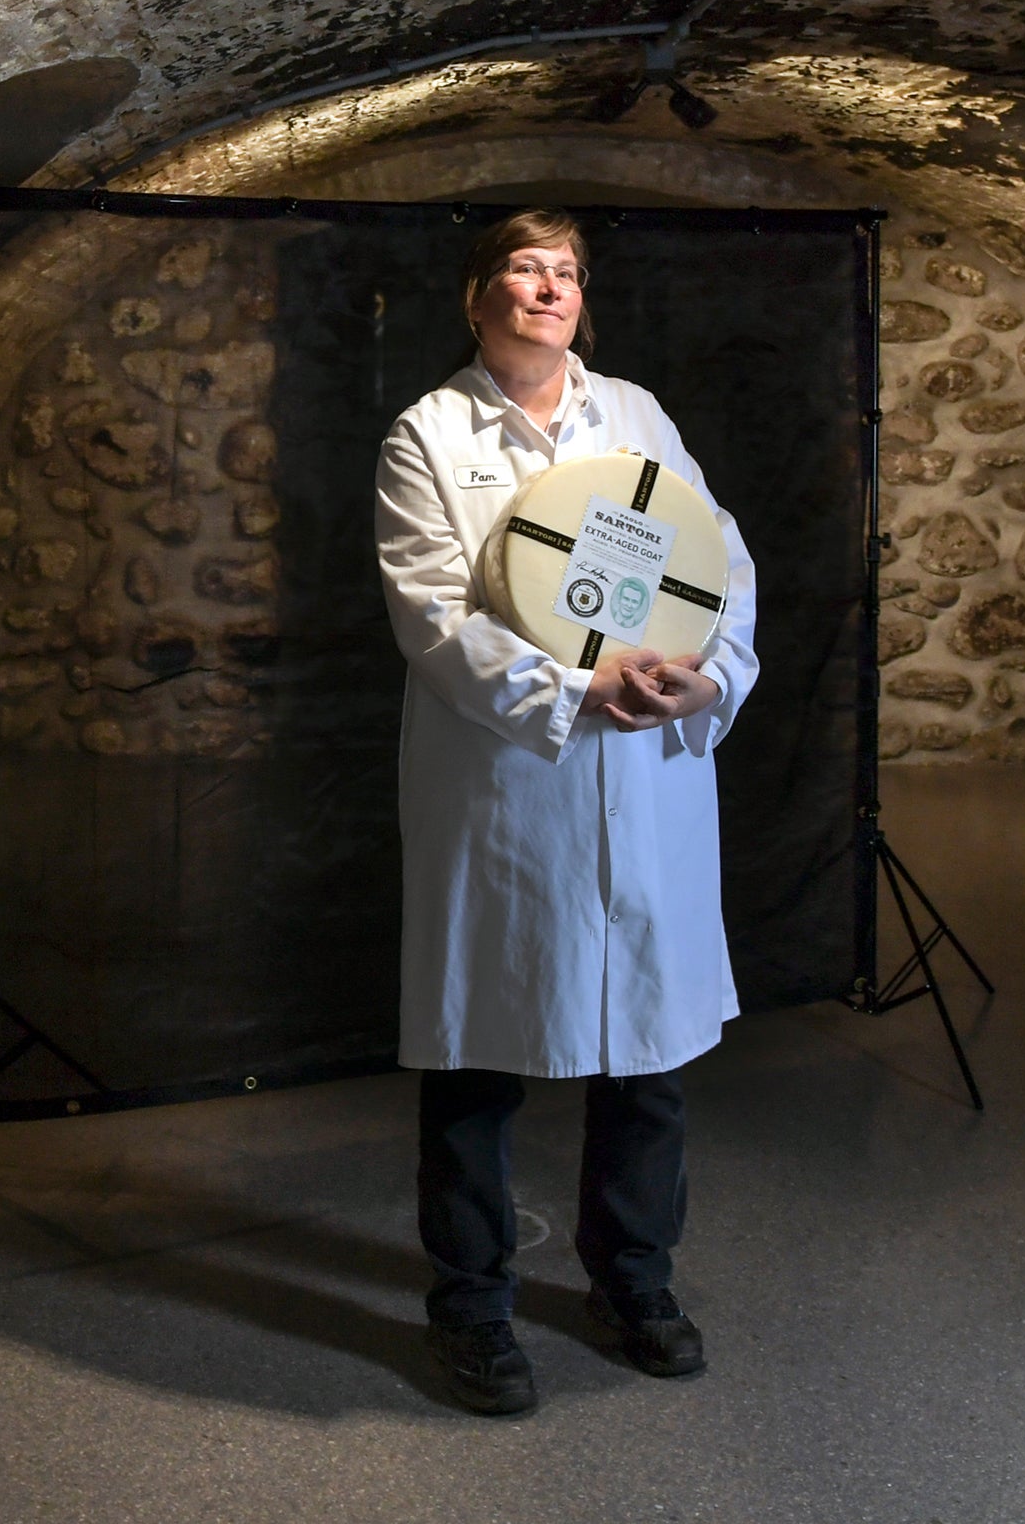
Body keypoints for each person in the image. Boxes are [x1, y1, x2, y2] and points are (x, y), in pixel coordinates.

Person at [372, 207, 760, 1414]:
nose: (549, 288)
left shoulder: (637, 414)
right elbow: (434, 613)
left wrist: (705, 673)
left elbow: (717, 561)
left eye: (568, 273)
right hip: (508, 787)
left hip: (645, 774)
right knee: (479, 1058)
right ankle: (474, 1308)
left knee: (646, 1055)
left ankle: (633, 1281)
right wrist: (578, 683)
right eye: (525, 269)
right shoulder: (428, 435)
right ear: (477, 295)